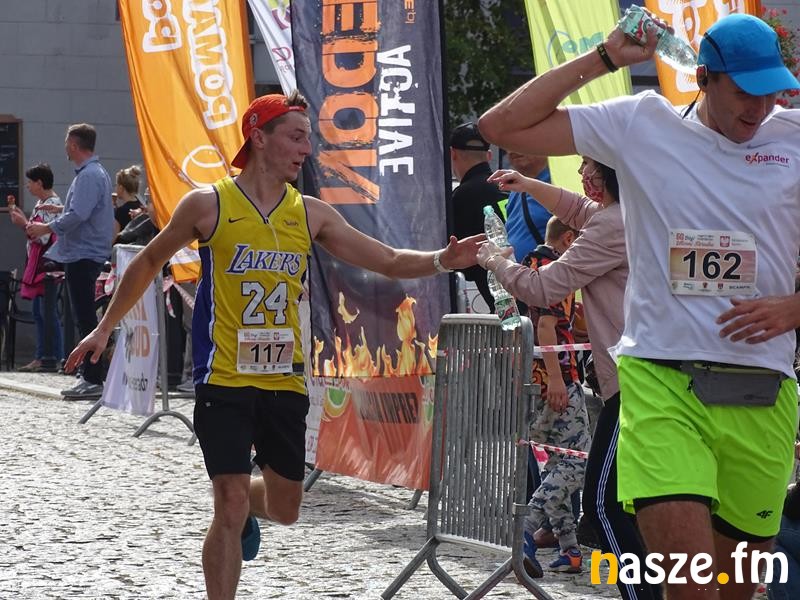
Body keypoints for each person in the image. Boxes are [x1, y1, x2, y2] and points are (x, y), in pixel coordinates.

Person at [64, 92, 482, 600]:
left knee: (286, 507)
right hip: (222, 377)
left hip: (284, 379)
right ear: (259, 138)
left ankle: (247, 509)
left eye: (309, 138)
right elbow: (150, 260)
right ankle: (232, 529)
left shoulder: (310, 214)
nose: (307, 149)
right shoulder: (209, 204)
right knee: (229, 499)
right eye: (297, 137)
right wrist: (104, 328)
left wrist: (442, 260)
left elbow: (388, 260)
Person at [479, 12, 800, 600]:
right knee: (690, 589)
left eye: (771, 91)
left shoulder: (792, 137)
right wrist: (604, 58)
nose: (760, 108)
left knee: (733, 592)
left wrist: (797, 308)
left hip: (762, 390)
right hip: (661, 383)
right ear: (703, 77)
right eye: (744, 93)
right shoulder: (642, 124)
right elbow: (502, 125)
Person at [480, 158, 660, 600]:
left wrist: (493, 262)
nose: (582, 176)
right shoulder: (631, 209)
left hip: (637, 381)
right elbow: (579, 210)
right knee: (631, 505)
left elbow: (542, 289)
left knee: (603, 506)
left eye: (589, 168)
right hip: (641, 375)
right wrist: (528, 185)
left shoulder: (615, 222)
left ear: (610, 173)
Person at [516, 216, 590, 577]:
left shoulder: (529, 264)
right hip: (556, 379)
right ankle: (526, 529)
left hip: (533, 380)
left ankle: (569, 550)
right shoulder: (555, 269)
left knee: (558, 463)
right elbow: (547, 326)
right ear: (569, 237)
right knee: (579, 462)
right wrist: (558, 380)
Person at [27, 123, 113, 399]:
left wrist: (45, 227)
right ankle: (90, 375)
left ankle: (92, 379)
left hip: (83, 255)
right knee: (85, 317)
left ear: (74, 145)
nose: (65, 147)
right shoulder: (94, 173)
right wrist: (61, 209)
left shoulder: (88, 175)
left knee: (85, 318)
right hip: (85, 253)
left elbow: (79, 215)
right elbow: (83, 210)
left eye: (67, 142)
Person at [8, 163, 64, 372]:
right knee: (39, 313)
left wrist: (23, 223)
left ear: (40, 183)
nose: (27, 186)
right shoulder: (42, 203)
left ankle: (55, 356)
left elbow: (43, 238)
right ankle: (41, 356)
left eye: (30, 182)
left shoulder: (52, 205)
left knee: (47, 313)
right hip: (38, 265)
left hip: (46, 267)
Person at [449, 122, 507, 311]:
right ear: (489, 156)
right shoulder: (508, 185)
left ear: (452, 154)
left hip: (503, 301)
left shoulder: (463, 196)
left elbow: (457, 262)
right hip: (531, 288)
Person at [503, 152, 551, 263]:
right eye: (509, 144)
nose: (512, 150)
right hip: (517, 271)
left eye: (520, 143)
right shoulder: (514, 190)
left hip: (549, 272)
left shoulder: (559, 183)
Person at [113, 165, 145, 237]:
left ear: (121, 188)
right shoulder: (142, 208)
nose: (115, 188)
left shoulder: (121, 211)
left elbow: (113, 237)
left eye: (116, 185)